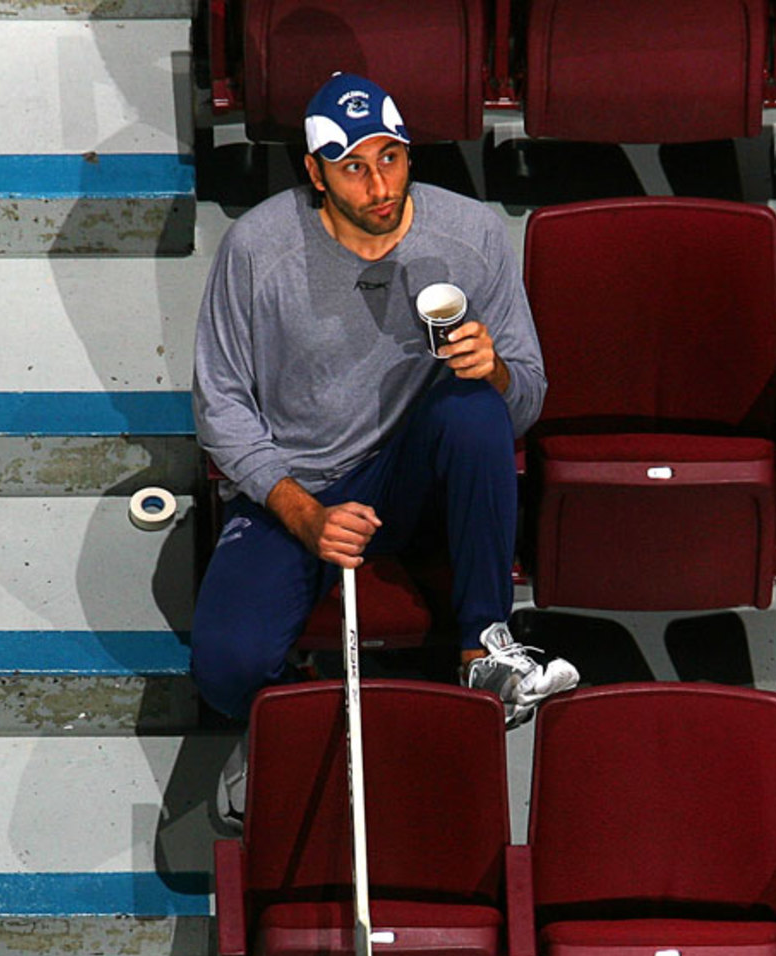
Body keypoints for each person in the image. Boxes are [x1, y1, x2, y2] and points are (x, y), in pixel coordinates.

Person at [191, 71, 579, 737]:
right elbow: (219, 405)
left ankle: (484, 650)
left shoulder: (471, 233)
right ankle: (301, 734)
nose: (378, 187)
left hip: (413, 473)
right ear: (316, 172)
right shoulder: (258, 247)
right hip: (302, 484)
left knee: (473, 405)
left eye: (389, 159)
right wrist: (303, 513)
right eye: (352, 168)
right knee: (226, 670)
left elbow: (526, 398)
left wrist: (497, 376)